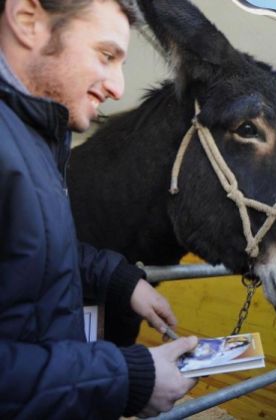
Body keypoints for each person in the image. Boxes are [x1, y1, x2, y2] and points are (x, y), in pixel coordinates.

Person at [0, 0, 198, 417]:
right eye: (106, 55)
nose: (118, 88)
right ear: (27, 20)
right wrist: (123, 378)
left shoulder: (35, 141)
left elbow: (34, 247)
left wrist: (121, 281)